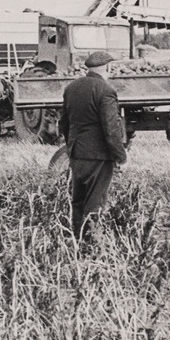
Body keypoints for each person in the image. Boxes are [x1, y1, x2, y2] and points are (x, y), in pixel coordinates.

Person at [58, 51, 127, 239]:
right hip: (98, 156)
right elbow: (111, 129)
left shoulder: (71, 88)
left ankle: (77, 241)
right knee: (95, 202)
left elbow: (63, 123)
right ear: (107, 68)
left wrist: (72, 145)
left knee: (78, 201)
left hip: (76, 154)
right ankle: (91, 244)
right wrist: (121, 157)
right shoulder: (106, 91)